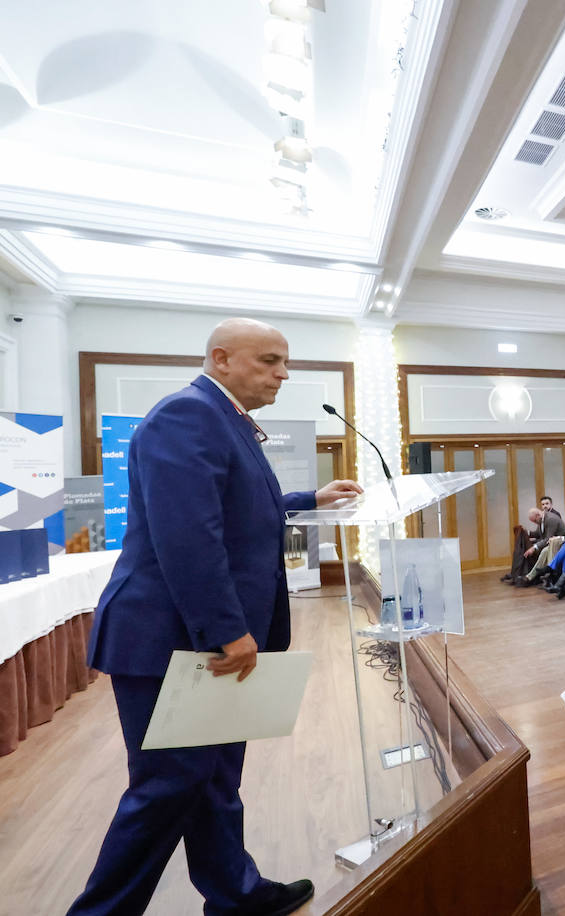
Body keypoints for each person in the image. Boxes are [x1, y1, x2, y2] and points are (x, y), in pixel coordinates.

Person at [72, 319, 363, 916]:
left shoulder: (222, 418)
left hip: (197, 638)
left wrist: (310, 500)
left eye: (286, 362)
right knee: (166, 789)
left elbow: (231, 505)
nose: (284, 374)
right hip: (172, 639)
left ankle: (236, 895)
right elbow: (189, 535)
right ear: (222, 358)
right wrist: (227, 630)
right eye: (270, 361)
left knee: (214, 781)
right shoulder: (189, 415)